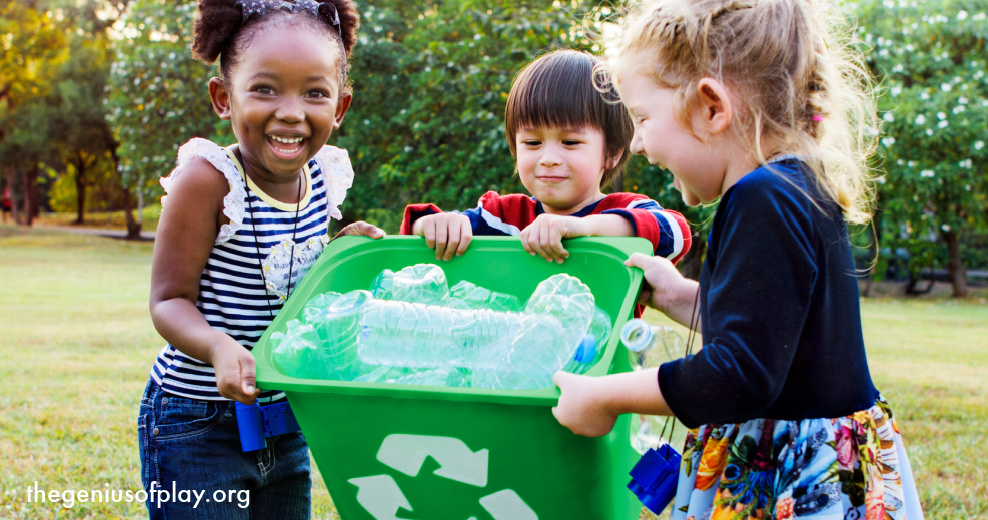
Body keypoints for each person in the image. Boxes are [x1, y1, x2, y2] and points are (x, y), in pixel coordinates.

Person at [551, 0, 924, 518]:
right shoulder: (796, 184)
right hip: (829, 456)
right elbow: (773, 338)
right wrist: (678, 295)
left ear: (710, 108)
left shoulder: (761, 197)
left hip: (788, 474)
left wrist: (603, 396)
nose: (636, 143)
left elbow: (740, 373)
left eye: (641, 118)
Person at [138, 0, 383, 518]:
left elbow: (290, 285)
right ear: (224, 98)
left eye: (315, 93)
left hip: (284, 418)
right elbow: (168, 300)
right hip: (198, 423)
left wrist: (339, 256)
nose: (291, 111)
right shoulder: (207, 181)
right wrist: (217, 347)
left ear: (339, 107)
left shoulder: (323, 177)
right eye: (265, 89)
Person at [400, 49, 691, 265]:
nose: (548, 158)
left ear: (612, 152)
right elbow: (417, 232)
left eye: (569, 141)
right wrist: (435, 225)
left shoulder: (624, 210)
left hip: (604, 349)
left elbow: (677, 234)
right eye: (532, 142)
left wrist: (584, 228)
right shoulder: (502, 219)